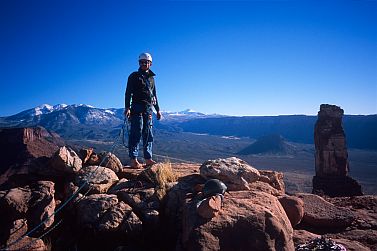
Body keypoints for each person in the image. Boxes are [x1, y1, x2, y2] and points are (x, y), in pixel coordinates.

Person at [124, 52, 162, 169]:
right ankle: (133, 160)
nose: (144, 64)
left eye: (146, 62)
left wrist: (158, 110)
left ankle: (148, 158)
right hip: (136, 108)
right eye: (142, 62)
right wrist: (127, 108)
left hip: (148, 109)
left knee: (148, 134)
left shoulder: (151, 78)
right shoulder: (133, 76)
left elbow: (154, 95)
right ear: (139, 63)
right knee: (136, 133)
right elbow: (128, 93)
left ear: (150, 64)